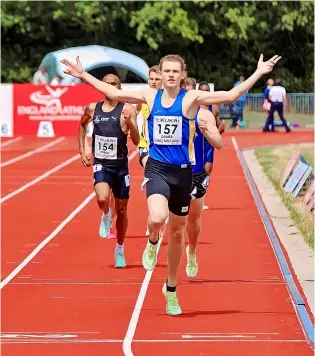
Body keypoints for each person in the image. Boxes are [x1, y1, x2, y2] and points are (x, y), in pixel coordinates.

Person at [61, 53, 281, 315]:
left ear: (182, 75)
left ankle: (171, 290)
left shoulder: (190, 99)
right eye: (167, 71)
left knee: (177, 233)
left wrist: (258, 73)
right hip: (157, 168)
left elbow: (229, 96)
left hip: (183, 173)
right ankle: (152, 240)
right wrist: (83, 75)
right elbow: (114, 93)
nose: (171, 75)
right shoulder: (149, 97)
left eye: (175, 72)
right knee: (157, 216)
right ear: (161, 74)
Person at [78, 74, 140, 268]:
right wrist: (83, 149)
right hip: (101, 164)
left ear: (119, 87)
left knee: (122, 210)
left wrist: (130, 123)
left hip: (121, 167)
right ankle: (106, 214)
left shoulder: (127, 109)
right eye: (107, 84)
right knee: (103, 197)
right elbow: (82, 125)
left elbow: (137, 140)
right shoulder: (92, 108)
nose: (110, 86)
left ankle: (120, 249)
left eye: (114, 84)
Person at [184, 78, 223, 278]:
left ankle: (191, 250)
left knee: (193, 217)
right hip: (173, 171)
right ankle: (154, 237)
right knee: (168, 218)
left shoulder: (206, 113)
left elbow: (219, 139)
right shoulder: (169, 112)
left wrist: (210, 132)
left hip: (198, 167)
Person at [137, 66, 168, 236]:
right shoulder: (144, 97)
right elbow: (131, 110)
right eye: (151, 79)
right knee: (152, 175)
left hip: (166, 150)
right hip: (146, 147)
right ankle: (154, 216)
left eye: (157, 79)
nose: (154, 82)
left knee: (167, 183)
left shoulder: (167, 99)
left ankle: (160, 213)